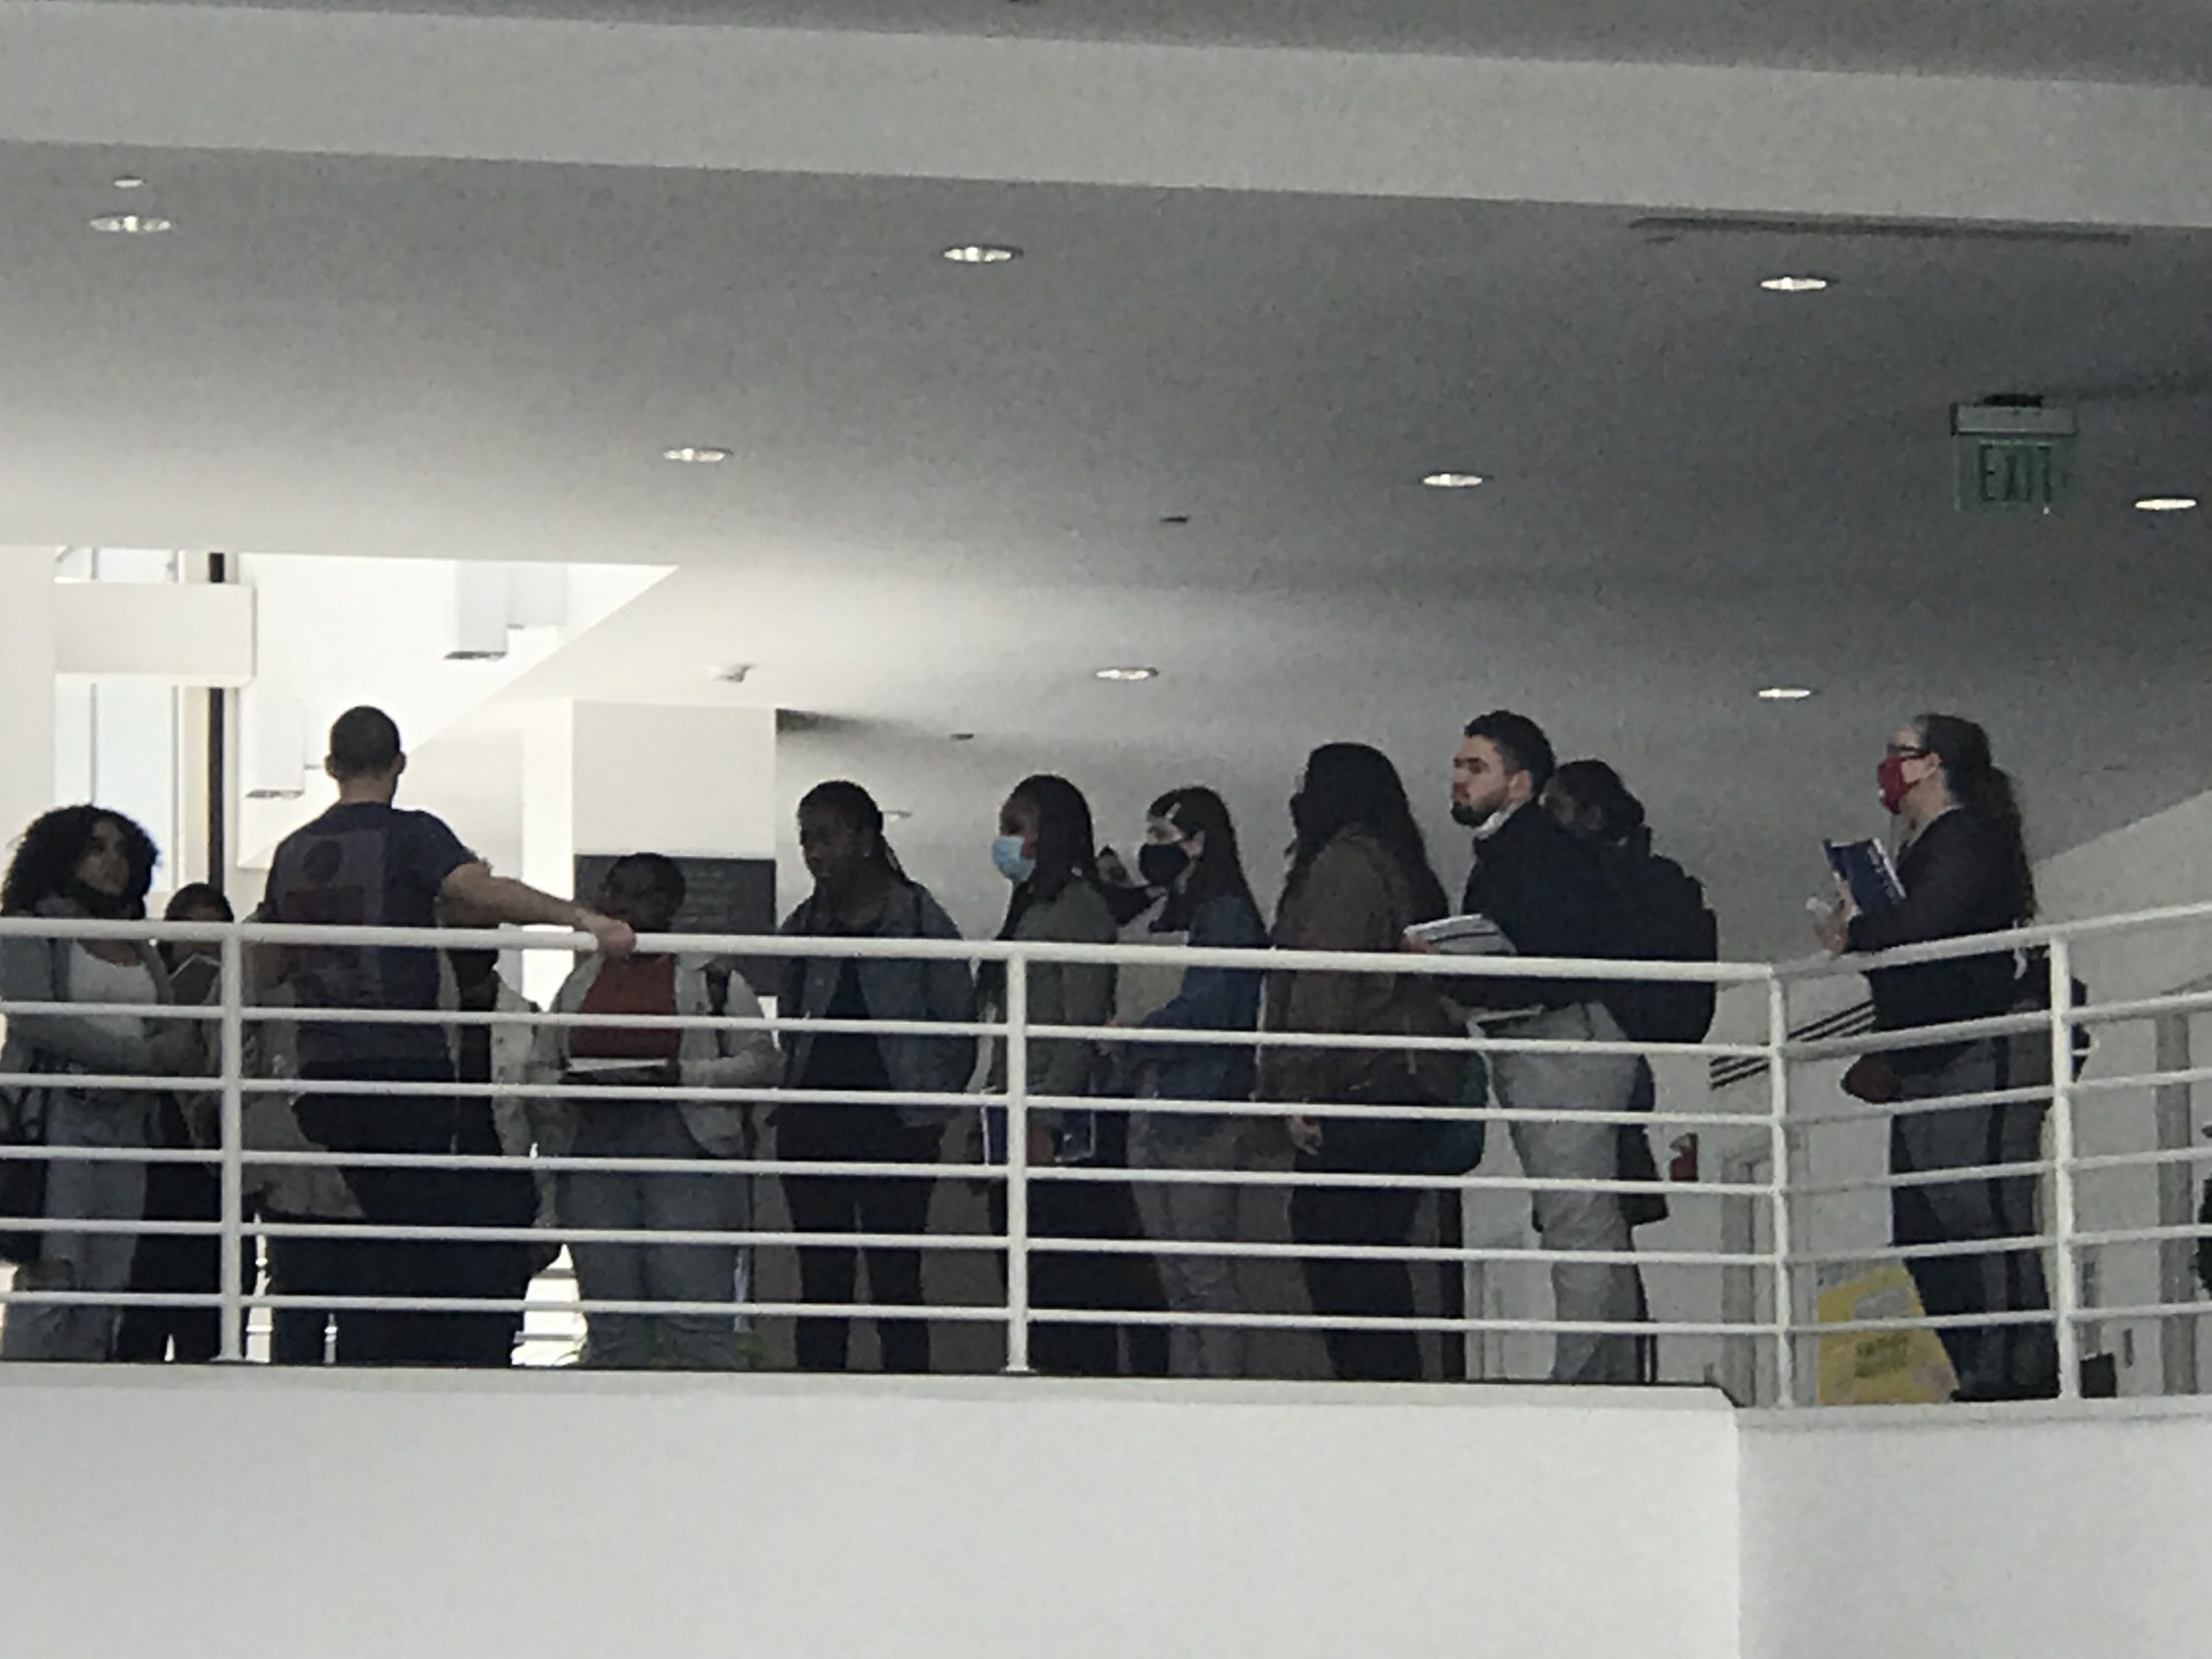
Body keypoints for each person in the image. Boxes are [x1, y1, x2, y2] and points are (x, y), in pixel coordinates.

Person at [258, 705, 634, 1364]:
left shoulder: (292, 853)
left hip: (323, 1071)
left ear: (330, 768)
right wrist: (583, 919)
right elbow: (482, 893)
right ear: (399, 764)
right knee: (415, 1237)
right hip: (402, 1065)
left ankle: (384, 1359)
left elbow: (272, 955)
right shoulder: (413, 836)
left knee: (383, 1226)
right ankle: (408, 1364)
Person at [1815, 714, 2055, 1402]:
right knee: (1927, 1224)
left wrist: (1855, 932)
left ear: (1933, 764)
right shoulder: (1922, 845)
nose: (1887, 766)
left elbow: (1926, 924)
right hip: (1929, 1049)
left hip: (1980, 1042)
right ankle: (1979, 1361)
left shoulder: (1968, 839)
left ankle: (2018, 1367)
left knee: (1979, 1207)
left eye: (1900, 753)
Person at [1451, 712, 1645, 1384]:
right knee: (1579, 1214)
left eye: (1476, 767)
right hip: (1548, 1040)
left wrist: (1462, 964)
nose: (1458, 778)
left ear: (1520, 781)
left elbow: (1556, 956)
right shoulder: (1524, 850)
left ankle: (1590, 1375)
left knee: (1577, 1216)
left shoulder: (1536, 852)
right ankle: (1601, 1369)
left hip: (1559, 1042)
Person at [540, 854, 780, 1369]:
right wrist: (567, 1089)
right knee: (611, 1318)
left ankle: (710, 1435)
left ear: (672, 904)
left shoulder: (714, 982)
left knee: (694, 1311)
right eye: (616, 891)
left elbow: (761, 1059)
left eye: (643, 893)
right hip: (595, 1145)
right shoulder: (579, 984)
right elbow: (544, 1060)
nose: (626, 905)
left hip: (685, 1145)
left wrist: (683, 1076)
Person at [1268, 745, 1459, 1383]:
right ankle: (1389, 1395)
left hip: (1361, 1084)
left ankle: (1375, 1396)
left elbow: (1324, 982)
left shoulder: (1342, 868)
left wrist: (1299, 1086)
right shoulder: (1397, 864)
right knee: (1374, 1254)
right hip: (1403, 1082)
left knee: (1341, 1252)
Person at [779, 783, 976, 1373]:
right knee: (821, 1278)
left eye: (826, 836)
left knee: (896, 1275)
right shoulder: (804, 922)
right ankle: (815, 1403)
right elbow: (791, 1018)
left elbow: (957, 1021)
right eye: (806, 838)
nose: (814, 852)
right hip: (814, 1123)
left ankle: (909, 1405)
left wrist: (931, 1103)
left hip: (898, 1125)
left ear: (865, 839)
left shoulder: (918, 916)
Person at [1541, 760, 1720, 1382]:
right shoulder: (1649, 878)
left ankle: (1603, 1368)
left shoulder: (1599, 884)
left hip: (1601, 1050)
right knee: (1605, 1222)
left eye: (1558, 809)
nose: (1549, 826)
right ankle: (1623, 1366)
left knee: (1592, 1221)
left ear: (1590, 815)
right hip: (1627, 1056)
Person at [0, 807, 200, 1361]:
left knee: (110, 1273)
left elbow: (175, 1029)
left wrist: (152, 1059)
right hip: (58, 1114)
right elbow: (37, 1016)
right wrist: (135, 1056)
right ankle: (26, 1400)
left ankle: (86, 1396)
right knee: (53, 1270)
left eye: (123, 850)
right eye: (96, 849)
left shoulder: (134, 939)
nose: (114, 863)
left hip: (129, 1120)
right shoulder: (32, 928)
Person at [985, 774, 1166, 1376]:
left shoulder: (1079, 908)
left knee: (1064, 1280)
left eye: (1017, 828)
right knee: (1025, 1280)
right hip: (1011, 1109)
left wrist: (1047, 1118)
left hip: (1054, 1125)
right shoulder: (1031, 910)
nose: (1005, 841)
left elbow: (1078, 1023)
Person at [1120, 787, 1268, 1378]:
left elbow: (1212, 1009)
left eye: (1163, 836)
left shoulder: (1227, 913)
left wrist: (1138, 1032)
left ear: (1199, 841)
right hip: (1159, 1099)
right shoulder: (1172, 916)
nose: (1151, 849)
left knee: (1203, 1274)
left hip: (1201, 1105)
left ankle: (1219, 1398)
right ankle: (1189, 1394)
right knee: (1177, 1278)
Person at [115, 883, 248, 1363]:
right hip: (152, 1174)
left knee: (211, 1334)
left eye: (216, 934)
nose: (204, 945)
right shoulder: (145, 994)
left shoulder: (248, 997)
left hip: (216, 1180)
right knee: (138, 1328)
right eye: (191, 931)